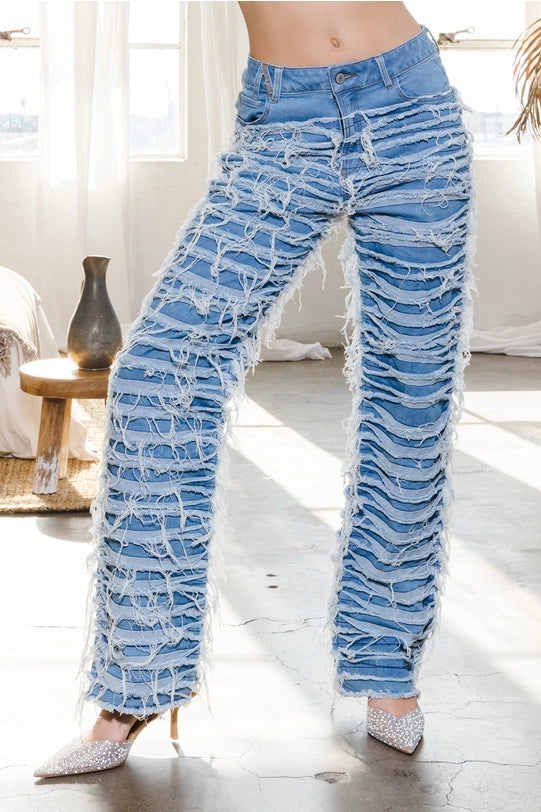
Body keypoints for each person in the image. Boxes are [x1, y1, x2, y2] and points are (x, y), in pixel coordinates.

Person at [34, 1, 474, 776]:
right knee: (159, 372)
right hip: (284, 124)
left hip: (413, 111)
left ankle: (385, 664)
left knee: (411, 398)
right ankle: (137, 682)